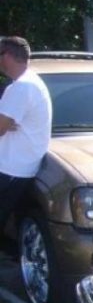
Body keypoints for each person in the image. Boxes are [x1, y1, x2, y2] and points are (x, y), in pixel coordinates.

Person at [0, 36, 52, 253]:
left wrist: (5, 123)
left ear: (8, 56)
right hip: (19, 168)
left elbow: (1, 126)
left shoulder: (21, 87)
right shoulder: (30, 83)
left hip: (11, 169)